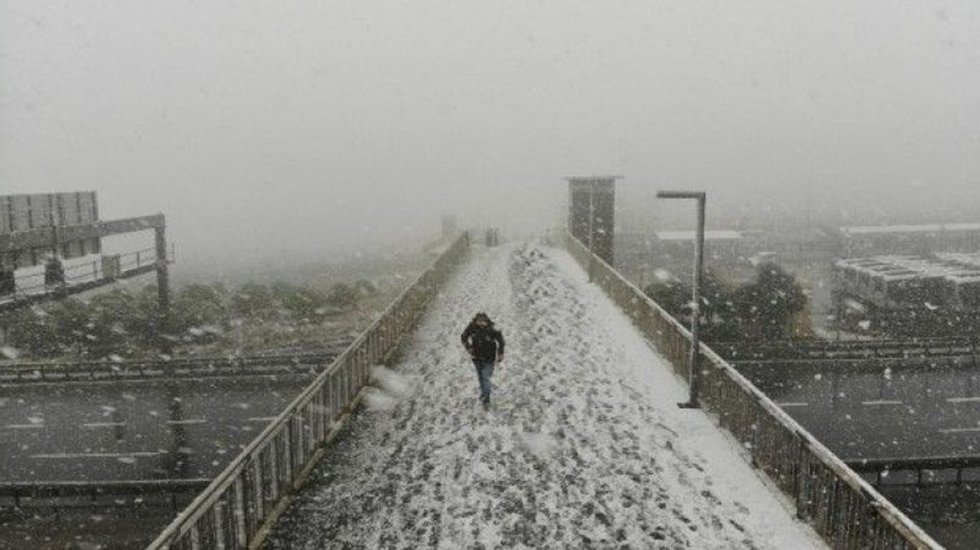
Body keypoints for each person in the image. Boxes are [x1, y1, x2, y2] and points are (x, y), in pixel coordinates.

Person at [460, 312, 505, 407]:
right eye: (479, 321)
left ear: (486, 321)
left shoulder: (492, 329)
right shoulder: (472, 328)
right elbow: (464, 337)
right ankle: (483, 394)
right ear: (476, 321)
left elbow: (501, 341)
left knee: (486, 378)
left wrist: (500, 353)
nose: (481, 323)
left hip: (489, 358)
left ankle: (487, 399)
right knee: (480, 377)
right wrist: (468, 347)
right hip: (476, 357)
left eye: (482, 321)